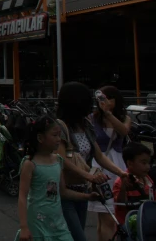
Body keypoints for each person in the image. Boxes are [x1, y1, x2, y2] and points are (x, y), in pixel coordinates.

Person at [56, 82, 126, 241]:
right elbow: (62, 160)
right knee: (78, 237)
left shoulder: (85, 124)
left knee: (75, 232)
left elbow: (99, 155)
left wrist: (122, 173)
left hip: (82, 190)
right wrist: (89, 175)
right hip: (63, 190)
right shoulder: (59, 126)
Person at [16, 116, 99, 241]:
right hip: (37, 224)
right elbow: (22, 196)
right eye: (54, 135)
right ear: (40, 138)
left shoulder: (58, 161)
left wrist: (87, 197)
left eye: (60, 135)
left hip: (58, 223)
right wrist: (24, 227)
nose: (58, 140)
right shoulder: (30, 164)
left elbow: (63, 192)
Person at [87, 86, 131, 241]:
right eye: (101, 99)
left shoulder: (124, 117)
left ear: (115, 100)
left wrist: (108, 114)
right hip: (99, 166)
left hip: (118, 166)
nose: (103, 102)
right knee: (104, 216)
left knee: (112, 214)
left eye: (107, 98)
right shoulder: (93, 118)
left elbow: (124, 131)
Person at [113, 142, 156, 226]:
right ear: (130, 163)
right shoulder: (121, 182)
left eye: (148, 163)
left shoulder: (148, 180)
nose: (148, 167)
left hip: (147, 223)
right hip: (129, 225)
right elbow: (120, 206)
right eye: (143, 163)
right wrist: (123, 188)